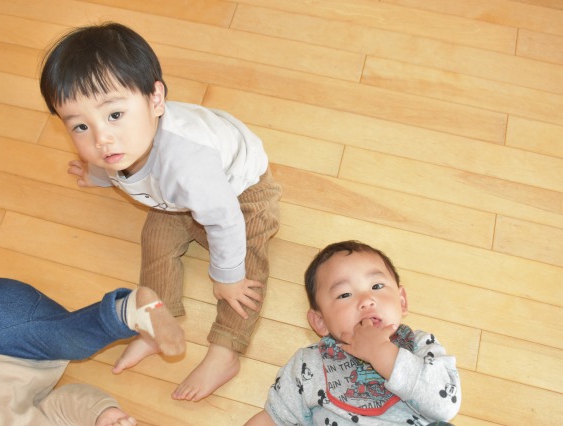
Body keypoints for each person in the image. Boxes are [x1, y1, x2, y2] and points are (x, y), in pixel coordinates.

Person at [39, 22, 282, 402]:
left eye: (114, 115)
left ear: (156, 100)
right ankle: (157, 322)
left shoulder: (188, 164)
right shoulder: (122, 145)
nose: (102, 139)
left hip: (239, 193)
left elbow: (225, 221)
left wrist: (227, 277)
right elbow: (107, 162)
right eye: (81, 126)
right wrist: (96, 176)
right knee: (155, 238)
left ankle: (226, 351)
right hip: (178, 199)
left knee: (244, 269)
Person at [246, 240, 461, 425]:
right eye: (344, 294)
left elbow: (445, 406)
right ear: (320, 321)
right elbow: (274, 419)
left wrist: (382, 353)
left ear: (401, 301)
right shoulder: (308, 364)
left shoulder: (419, 344)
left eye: (377, 286)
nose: (366, 300)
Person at [0, 276, 185, 425]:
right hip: (22, 340)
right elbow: (60, 404)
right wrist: (100, 415)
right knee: (68, 342)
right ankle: (127, 311)